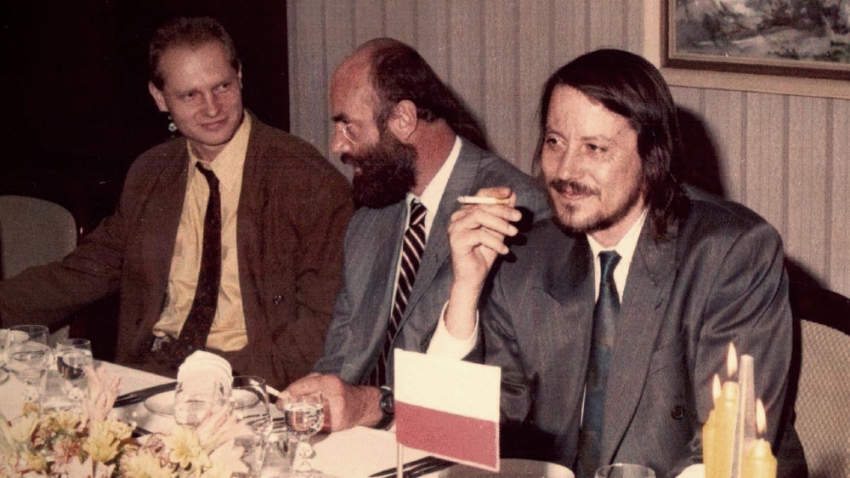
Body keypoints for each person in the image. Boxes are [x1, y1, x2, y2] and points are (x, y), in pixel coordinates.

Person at [444, 49, 793, 478]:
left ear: (652, 157)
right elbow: (464, 436)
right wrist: (466, 289)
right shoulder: (526, 256)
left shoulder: (732, 254)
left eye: (594, 148)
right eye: (554, 142)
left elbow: (723, 453)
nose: (565, 170)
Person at [0, 16, 353, 389]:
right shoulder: (151, 173)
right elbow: (82, 273)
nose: (212, 108)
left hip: (250, 380)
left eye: (222, 87)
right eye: (190, 95)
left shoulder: (306, 181)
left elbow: (322, 326)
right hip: (150, 372)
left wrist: (217, 381)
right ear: (159, 98)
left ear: (240, 76)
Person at [283, 38, 549, 430]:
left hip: (443, 439)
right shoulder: (371, 215)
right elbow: (339, 357)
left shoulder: (514, 210)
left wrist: (379, 405)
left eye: (348, 126)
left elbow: (504, 393)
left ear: (404, 119)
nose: (336, 145)